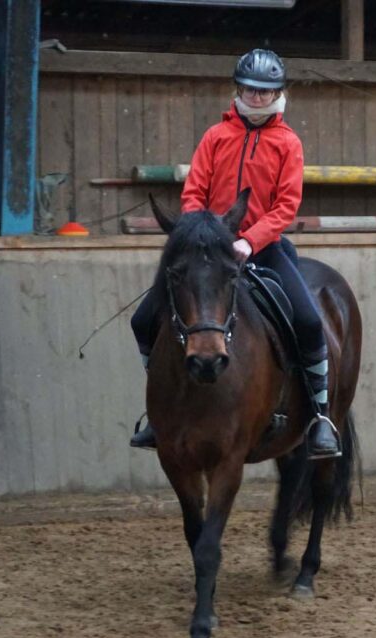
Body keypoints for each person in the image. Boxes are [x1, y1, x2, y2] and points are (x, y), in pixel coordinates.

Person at [130, 48, 341, 458]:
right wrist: (201, 236)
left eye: (265, 92)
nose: (257, 98)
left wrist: (249, 240)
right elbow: (194, 193)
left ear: (278, 93)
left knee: (309, 321)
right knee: (143, 319)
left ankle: (320, 418)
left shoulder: (288, 143)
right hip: (209, 254)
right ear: (238, 89)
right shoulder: (215, 137)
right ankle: (159, 412)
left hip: (262, 249)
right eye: (250, 90)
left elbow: (285, 206)